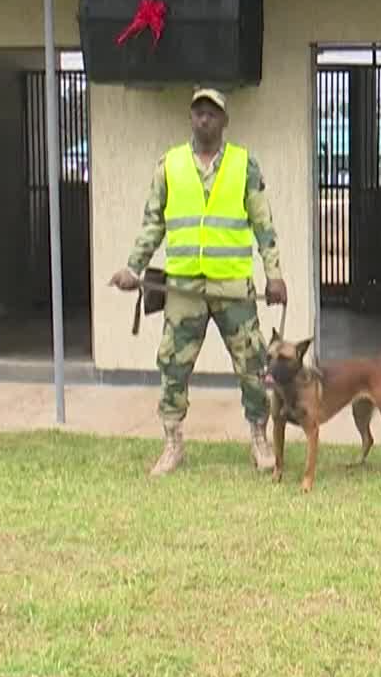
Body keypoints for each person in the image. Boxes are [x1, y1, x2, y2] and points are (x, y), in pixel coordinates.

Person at [110, 88, 287, 477]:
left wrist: (274, 275)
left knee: (253, 365)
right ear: (191, 118)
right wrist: (132, 268)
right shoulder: (169, 165)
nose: (204, 119)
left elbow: (264, 225)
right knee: (173, 364)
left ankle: (259, 437)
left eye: (212, 113)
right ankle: (173, 442)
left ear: (224, 120)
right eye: (198, 113)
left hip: (232, 288)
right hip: (184, 288)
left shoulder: (245, 165)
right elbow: (153, 222)